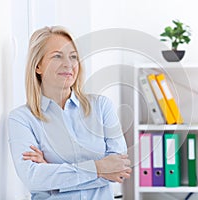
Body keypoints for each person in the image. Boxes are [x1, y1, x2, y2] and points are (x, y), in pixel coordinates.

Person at [8, 26, 132, 200]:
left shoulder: (101, 106)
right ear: (38, 66)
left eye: (73, 57)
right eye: (57, 56)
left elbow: (119, 169)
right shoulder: (21, 119)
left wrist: (52, 174)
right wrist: (99, 169)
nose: (68, 64)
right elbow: (33, 179)